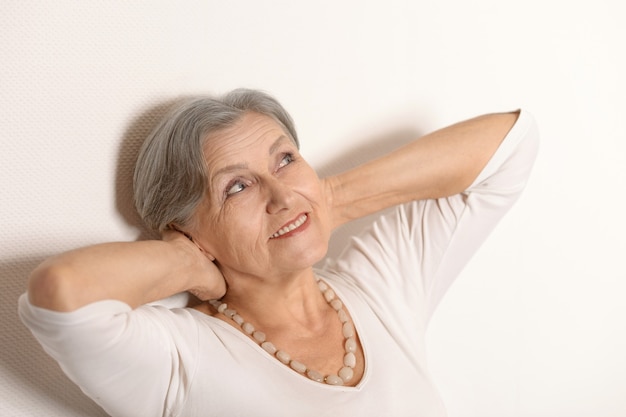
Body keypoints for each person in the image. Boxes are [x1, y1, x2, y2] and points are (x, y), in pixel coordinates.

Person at [18, 89, 539, 417]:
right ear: (183, 227)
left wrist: (330, 199)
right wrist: (188, 262)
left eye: (286, 159)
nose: (282, 195)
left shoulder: (380, 286)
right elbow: (62, 292)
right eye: (236, 188)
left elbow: (511, 145)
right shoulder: (180, 359)